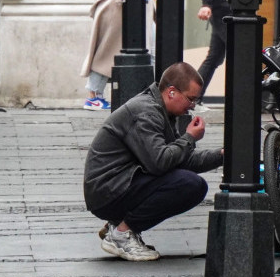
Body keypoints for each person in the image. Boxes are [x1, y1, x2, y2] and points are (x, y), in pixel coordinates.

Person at [83, 62, 224, 261]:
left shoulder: (162, 111)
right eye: (191, 99)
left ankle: (118, 227)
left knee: (189, 182)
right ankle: (122, 234)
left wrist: (222, 155)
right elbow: (160, 162)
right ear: (172, 92)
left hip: (117, 185)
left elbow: (181, 160)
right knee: (190, 184)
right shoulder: (146, 112)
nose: (192, 106)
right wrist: (189, 138)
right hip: (108, 190)